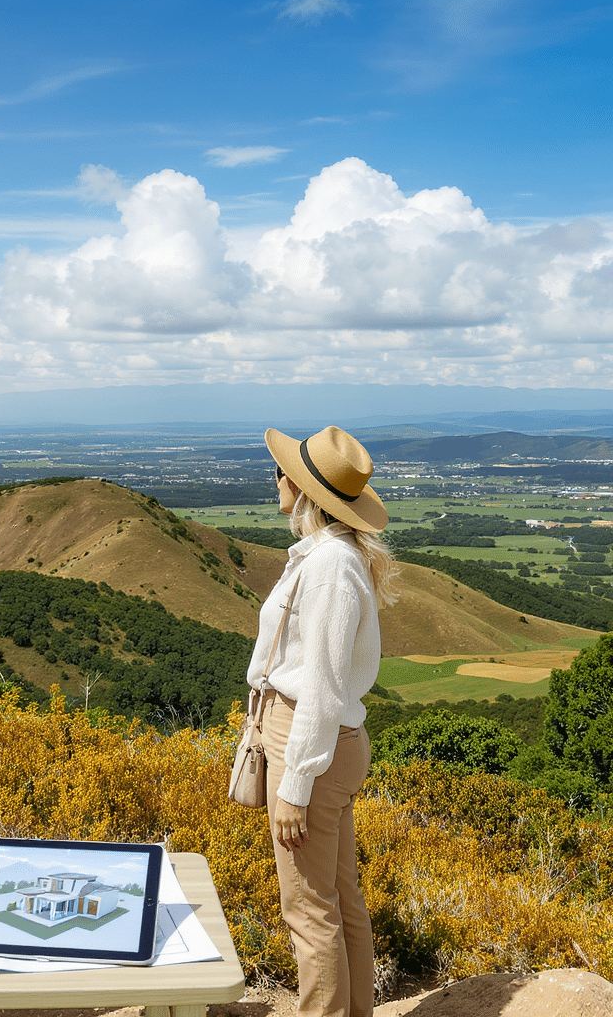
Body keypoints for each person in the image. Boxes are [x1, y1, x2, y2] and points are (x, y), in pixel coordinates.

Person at [247, 425, 398, 1017]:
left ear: (303, 489)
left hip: (311, 741)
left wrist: (296, 783)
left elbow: (322, 687)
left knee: (308, 910)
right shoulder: (332, 556)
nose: (275, 479)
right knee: (339, 901)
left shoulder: (330, 565)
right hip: (327, 741)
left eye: (282, 472)